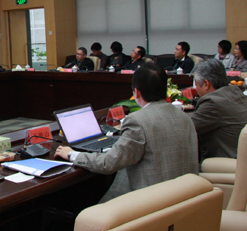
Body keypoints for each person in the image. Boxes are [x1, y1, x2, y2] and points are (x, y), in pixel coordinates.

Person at [55, 63, 198, 202]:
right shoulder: (185, 117)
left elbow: (108, 163)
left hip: (151, 202)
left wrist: (72, 154)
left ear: (137, 92)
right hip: (185, 198)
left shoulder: (137, 121)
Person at [191, 59, 247, 162]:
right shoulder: (235, 91)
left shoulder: (212, 103)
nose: (196, 89)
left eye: (196, 84)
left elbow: (187, 127)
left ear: (206, 84)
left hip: (231, 162)